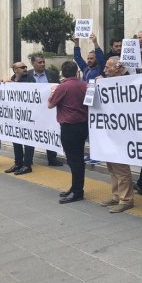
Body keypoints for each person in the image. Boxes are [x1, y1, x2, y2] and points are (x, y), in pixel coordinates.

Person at [98, 57, 136, 214]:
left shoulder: (126, 82)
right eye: (105, 67)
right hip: (108, 131)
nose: (105, 70)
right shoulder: (103, 83)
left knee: (121, 167)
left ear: (118, 69)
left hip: (121, 132)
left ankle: (126, 199)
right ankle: (116, 195)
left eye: (108, 67)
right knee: (112, 166)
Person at [47, 61, 88, 204]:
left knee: (74, 160)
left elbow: (50, 105)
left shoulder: (62, 87)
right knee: (78, 158)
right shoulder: (85, 85)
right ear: (77, 71)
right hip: (83, 125)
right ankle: (75, 187)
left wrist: (52, 92)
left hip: (69, 126)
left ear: (63, 73)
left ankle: (77, 191)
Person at [28, 53, 62, 167]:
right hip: (32, 111)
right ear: (33, 63)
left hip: (49, 110)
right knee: (30, 134)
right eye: (39, 62)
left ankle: (52, 159)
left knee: (50, 132)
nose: (42, 64)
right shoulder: (27, 75)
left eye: (43, 62)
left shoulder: (52, 75)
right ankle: (28, 159)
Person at [4, 61, 37, 175]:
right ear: (15, 70)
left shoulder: (30, 79)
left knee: (28, 141)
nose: (25, 68)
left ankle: (27, 165)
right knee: (16, 141)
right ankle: (18, 163)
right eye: (22, 67)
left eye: (25, 67)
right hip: (15, 116)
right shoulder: (12, 79)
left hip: (27, 116)